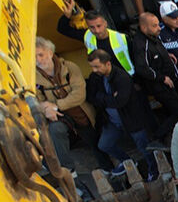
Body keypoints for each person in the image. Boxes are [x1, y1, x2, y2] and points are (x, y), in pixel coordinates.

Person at [85, 49, 157, 178]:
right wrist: (108, 97)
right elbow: (91, 97)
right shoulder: (95, 77)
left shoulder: (122, 77)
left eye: (97, 66)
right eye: (92, 67)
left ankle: (153, 171)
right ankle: (127, 161)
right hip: (111, 121)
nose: (94, 70)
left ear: (107, 64)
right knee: (104, 145)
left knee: (144, 148)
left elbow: (120, 102)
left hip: (132, 120)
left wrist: (101, 97)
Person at [35, 37, 99, 174]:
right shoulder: (34, 78)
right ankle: (69, 170)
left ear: (50, 53)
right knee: (55, 129)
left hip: (80, 112)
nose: (38, 60)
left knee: (96, 142)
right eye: (34, 56)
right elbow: (37, 101)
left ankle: (107, 166)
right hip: (60, 117)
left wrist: (55, 106)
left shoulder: (69, 67)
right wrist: (45, 109)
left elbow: (79, 95)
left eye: (41, 54)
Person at [132, 12, 178, 137]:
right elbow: (142, 68)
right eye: (155, 26)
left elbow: (156, 50)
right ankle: (158, 136)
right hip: (159, 86)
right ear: (144, 28)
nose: (159, 28)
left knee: (175, 110)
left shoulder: (152, 36)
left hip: (168, 81)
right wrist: (162, 78)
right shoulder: (141, 44)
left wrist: (166, 55)